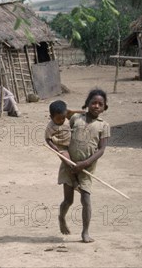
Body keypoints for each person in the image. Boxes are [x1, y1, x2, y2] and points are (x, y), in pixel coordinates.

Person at [54, 89, 110, 243]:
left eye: (100, 104)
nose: (96, 106)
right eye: (93, 103)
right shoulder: (76, 119)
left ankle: (85, 232)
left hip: (87, 169)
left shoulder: (103, 126)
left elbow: (102, 149)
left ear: (105, 107)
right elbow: (60, 121)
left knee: (86, 200)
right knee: (68, 201)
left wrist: (85, 163)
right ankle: (61, 217)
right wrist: (68, 161)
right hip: (68, 165)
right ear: (87, 104)